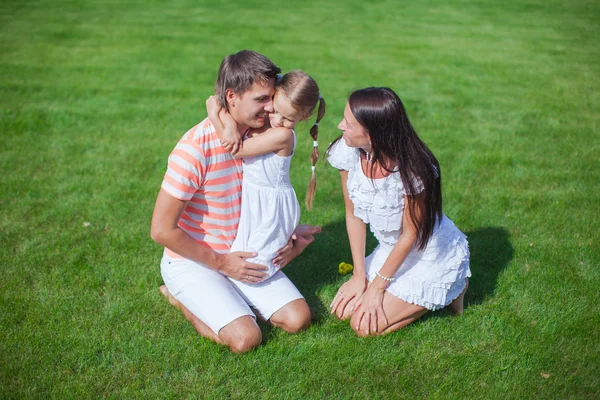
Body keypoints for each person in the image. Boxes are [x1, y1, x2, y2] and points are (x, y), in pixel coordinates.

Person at [150, 50, 320, 353]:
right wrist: (221, 263)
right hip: (195, 260)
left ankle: (229, 298)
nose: (271, 108)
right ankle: (179, 297)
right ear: (232, 97)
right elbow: (161, 230)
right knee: (245, 340)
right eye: (262, 100)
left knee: (299, 320)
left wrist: (286, 233)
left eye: (272, 97)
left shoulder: (263, 133)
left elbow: (268, 196)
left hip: (244, 250)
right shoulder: (193, 151)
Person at [327, 87, 471, 337]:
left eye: (349, 124)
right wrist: (359, 275)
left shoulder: (412, 169)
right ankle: (432, 294)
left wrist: (377, 288)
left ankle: (454, 285)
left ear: (372, 134)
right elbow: (353, 216)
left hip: (430, 254)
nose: (340, 126)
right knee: (344, 311)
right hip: (390, 250)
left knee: (363, 327)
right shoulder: (347, 153)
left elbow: (410, 235)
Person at [206, 70, 326, 280]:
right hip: (255, 202)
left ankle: (297, 246)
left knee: (256, 270)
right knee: (241, 258)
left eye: (288, 118)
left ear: (304, 117)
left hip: (271, 208)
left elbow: (237, 149)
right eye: (276, 110)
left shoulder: (283, 135)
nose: (277, 119)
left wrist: (215, 117)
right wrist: (231, 124)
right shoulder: (266, 122)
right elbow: (229, 110)